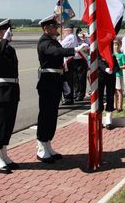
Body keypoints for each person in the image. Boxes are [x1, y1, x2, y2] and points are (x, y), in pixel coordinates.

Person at [36, 14, 88, 163]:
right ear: (46, 28)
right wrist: (76, 49)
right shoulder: (44, 42)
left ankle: (47, 145)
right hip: (47, 82)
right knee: (45, 115)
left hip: (55, 80)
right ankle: (41, 147)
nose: (56, 28)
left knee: (52, 116)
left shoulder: (52, 41)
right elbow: (56, 52)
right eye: (53, 26)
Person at [0, 19, 20, 174]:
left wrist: (6, 42)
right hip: (1, 91)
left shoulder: (10, 49)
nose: (10, 33)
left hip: (13, 90)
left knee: (9, 124)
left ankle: (4, 155)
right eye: (8, 31)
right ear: (0, 33)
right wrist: (4, 40)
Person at [98, 46, 119, 130]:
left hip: (111, 75)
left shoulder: (110, 50)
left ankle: (108, 121)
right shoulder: (98, 48)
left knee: (110, 96)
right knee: (99, 96)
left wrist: (113, 70)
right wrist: (105, 68)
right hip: (101, 74)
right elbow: (98, 60)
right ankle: (99, 120)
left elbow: (115, 62)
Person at [60, 22, 77, 105]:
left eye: (64, 31)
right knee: (68, 80)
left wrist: (59, 42)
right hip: (69, 59)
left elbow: (61, 46)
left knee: (67, 80)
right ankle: (69, 97)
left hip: (68, 60)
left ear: (68, 31)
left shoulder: (70, 37)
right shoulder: (72, 37)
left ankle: (68, 98)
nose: (63, 33)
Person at [73, 27, 89, 101]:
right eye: (78, 34)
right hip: (74, 61)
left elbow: (88, 51)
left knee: (81, 79)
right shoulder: (74, 41)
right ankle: (76, 93)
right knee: (75, 78)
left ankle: (81, 95)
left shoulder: (86, 41)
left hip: (82, 61)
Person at [113, 38, 125, 112]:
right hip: (113, 75)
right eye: (115, 45)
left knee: (119, 91)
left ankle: (120, 107)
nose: (116, 47)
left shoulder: (122, 55)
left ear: (120, 45)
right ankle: (115, 106)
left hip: (119, 75)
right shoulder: (113, 55)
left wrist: (118, 67)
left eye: (117, 45)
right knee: (114, 91)